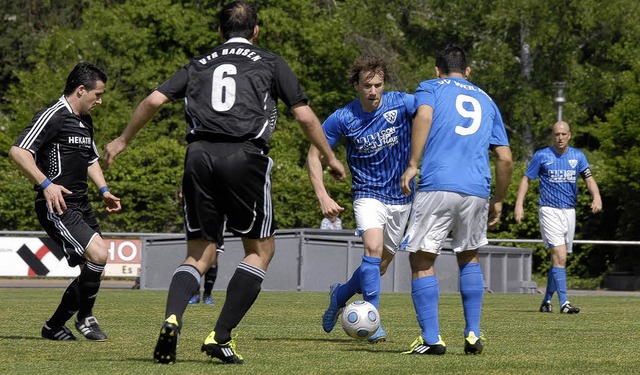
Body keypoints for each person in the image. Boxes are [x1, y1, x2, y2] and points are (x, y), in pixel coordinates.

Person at [103, 1, 345, 365]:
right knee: (260, 251)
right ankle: (220, 335)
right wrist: (329, 156)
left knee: (199, 252)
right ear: (256, 31)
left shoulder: (199, 64)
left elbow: (153, 100)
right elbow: (305, 116)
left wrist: (122, 140)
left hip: (198, 156)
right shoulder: (270, 62)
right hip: (244, 156)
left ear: (219, 32)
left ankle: (173, 317)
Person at [399, 45, 513, 355]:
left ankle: (432, 339)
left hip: (438, 182)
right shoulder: (487, 100)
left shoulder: (431, 87)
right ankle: (473, 333)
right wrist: (499, 200)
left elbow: (423, 115)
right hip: (477, 189)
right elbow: (504, 159)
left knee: (422, 259)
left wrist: (413, 163)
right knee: (469, 257)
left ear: (437, 70)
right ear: (468, 71)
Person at [9, 62, 122, 341]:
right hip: (58, 205)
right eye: (97, 94)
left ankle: (54, 326)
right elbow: (18, 151)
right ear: (81, 90)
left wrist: (104, 190)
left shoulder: (85, 120)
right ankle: (85, 317)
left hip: (82, 204)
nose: (100, 100)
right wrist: (46, 184)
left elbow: (91, 159)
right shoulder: (53, 115)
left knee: (93, 268)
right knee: (98, 254)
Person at [307, 55, 415, 344]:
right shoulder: (343, 117)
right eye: (367, 85)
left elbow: (430, 114)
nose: (373, 91)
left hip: (402, 197)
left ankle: (339, 295)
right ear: (356, 85)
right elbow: (313, 154)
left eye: (378, 85)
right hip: (367, 194)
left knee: (379, 265)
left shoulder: (402, 103)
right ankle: (374, 321)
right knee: (372, 247)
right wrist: (323, 195)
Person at [514, 121, 602, 314]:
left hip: (569, 211)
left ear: (569, 135)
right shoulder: (542, 155)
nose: (560, 138)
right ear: (552, 136)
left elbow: (589, 179)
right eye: (556, 134)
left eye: (563, 134)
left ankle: (546, 301)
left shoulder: (578, 156)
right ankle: (565, 303)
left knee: (559, 261)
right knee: (559, 256)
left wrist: (596, 196)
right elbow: (526, 179)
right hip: (549, 210)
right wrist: (519, 204)